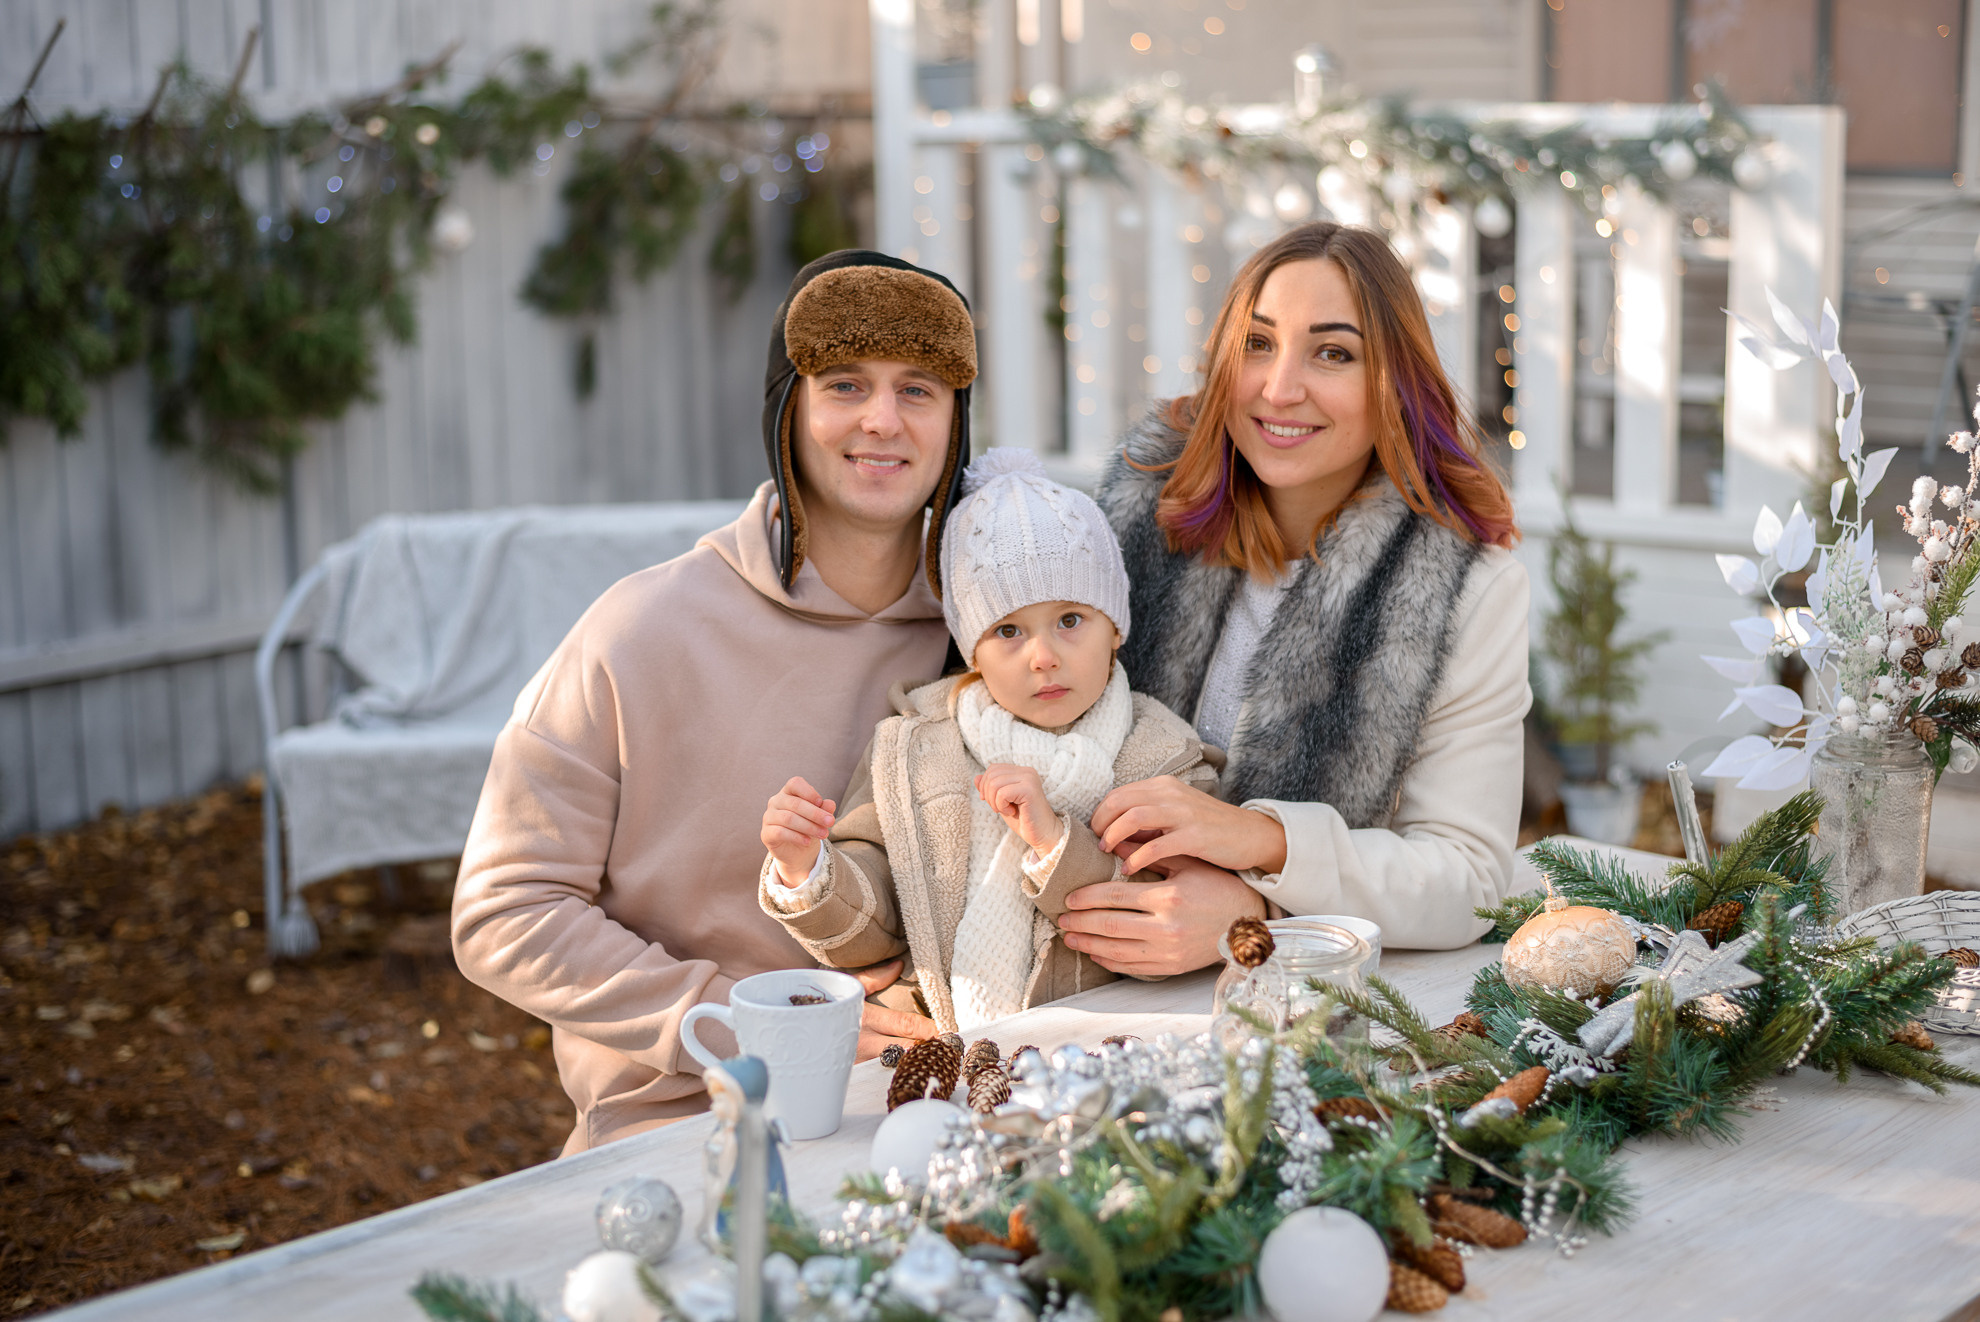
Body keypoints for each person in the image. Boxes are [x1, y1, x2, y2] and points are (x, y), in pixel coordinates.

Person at [452, 251, 983, 1154]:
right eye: (846, 383)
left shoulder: (998, 635)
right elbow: (506, 909)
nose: (882, 420)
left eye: (920, 388)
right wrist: (746, 1022)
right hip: (695, 1120)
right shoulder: (642, 630)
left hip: (948, 1103)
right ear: (787, 410)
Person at [1054, 221, 1529, 973]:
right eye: (1259, 343)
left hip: (1299, 1012)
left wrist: (1263, 881)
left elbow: (1466, 878)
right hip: (1064, 975)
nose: (1280, 389)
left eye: (1332, 353)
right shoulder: (1137, 510)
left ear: (1393, 385)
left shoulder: (1461, 585)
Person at [755, 450, 1219, 1034]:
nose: (1044, 656)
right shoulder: (913, 751)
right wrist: (809, 872)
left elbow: (1175, 931)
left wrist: (1055, 844)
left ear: (1115, 627)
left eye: (1071, 619)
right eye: (1008, 631)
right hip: (940, 1063)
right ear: (972, 650)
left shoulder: (1166, 759)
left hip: (1101, 1063)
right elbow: (874, 936)